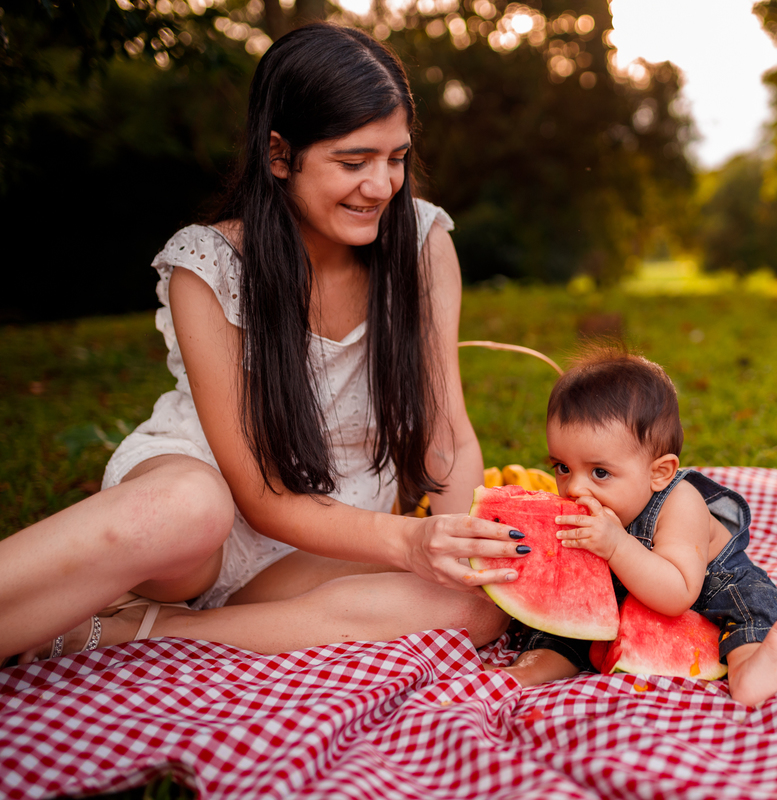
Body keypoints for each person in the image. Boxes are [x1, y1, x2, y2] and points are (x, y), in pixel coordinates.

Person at [0, 23, 531, 665]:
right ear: (280, 155)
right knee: (191, 508)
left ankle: (149, 632)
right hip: (206, 516)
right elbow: (260, 495)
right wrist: (408, 542)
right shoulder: (210, 264)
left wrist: (465, 546)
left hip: (332, 539)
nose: (381, 186)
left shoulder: (423, 244)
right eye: (353, 162)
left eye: (395, 158)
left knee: (474, 609)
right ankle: (149, 599)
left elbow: (446, 437)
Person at [498, 348, 777, 708]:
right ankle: (530, 668)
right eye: (562, 467)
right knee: (567, 619)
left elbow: (679, 593)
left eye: (600, 472)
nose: (574, 488)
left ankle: (752, 668)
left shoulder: (681, 503)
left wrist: (616, 546)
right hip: (630, 592)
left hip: (706, 587)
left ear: (659, 473)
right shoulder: (592, 503)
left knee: (750, 609)